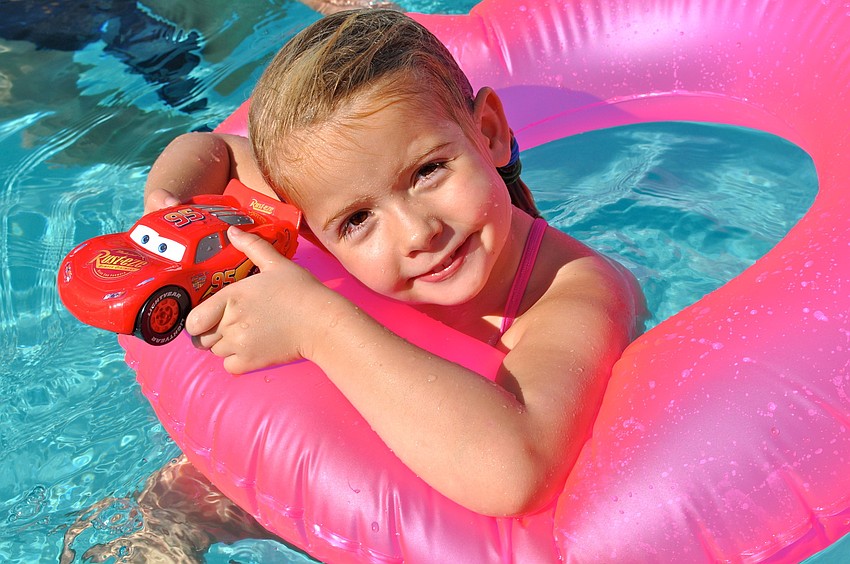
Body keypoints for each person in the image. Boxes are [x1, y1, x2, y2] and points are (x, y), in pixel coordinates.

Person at [143, 7, 644, 518]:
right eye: (357, 220)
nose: (418, 233)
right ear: (311, 229)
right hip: (334, 476)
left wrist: (317, 327)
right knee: (171, 506)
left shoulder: (573, 290)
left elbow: (518, 474)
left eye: (429, 171)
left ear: (488, 133)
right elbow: (215, 148)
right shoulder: (320, 197)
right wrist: (169, 205)